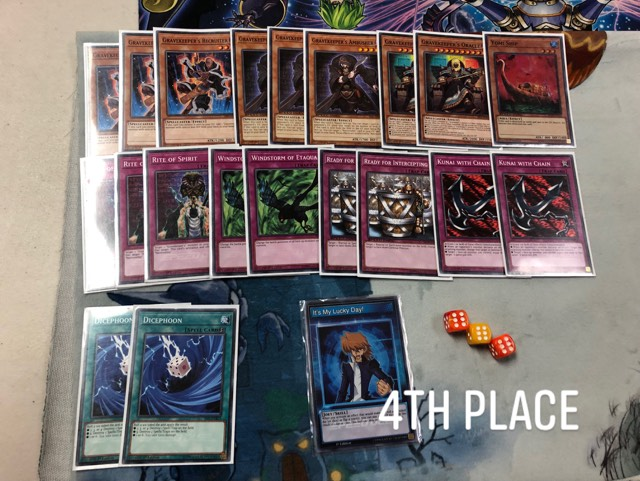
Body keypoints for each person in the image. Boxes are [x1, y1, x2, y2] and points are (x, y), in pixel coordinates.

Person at [335, 331, 393, 403]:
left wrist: (387, 387)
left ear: (364, 349)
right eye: (353, 349)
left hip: (366, 401)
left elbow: (386, 378)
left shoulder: (370, 364)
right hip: (351, 402)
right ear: (350, 350)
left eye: (359, 349)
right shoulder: (346, 366)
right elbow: (342, 390)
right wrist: (336, 406)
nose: (356, 352)